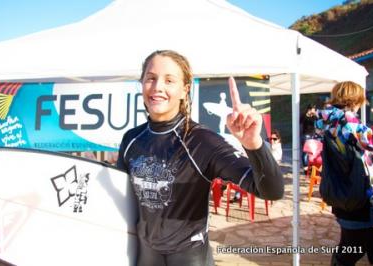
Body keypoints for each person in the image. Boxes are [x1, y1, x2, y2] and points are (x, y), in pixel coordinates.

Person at [116, 50, 284, 266]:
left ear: (185, 90)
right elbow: (123, 203)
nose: (157, 87)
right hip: (145, 256)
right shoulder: (131, 140)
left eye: (169, 80)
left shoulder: (202, 141)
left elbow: (272, 190)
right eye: (151, 78)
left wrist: (254, 145)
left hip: (189, 257)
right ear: (142, 83)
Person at [315, 81, 373, 266]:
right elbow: (372, 149)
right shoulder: (352, 124)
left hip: (339, 189)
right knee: (353, 246)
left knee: (357, 240)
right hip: (358, 194)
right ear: (354, 99)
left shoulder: (325, 122)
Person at [300, 104, 318, 168]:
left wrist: (314, 114)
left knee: (312, 151)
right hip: (306, 135)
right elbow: (301, 121)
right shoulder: (304, 115)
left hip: (313, 135)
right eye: (313, 109)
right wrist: (307, 113)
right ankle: (305, 166)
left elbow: (317, 120)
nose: (314, 110)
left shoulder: (313, 116)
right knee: (305, 151)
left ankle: (311, 166)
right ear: (310, 109)